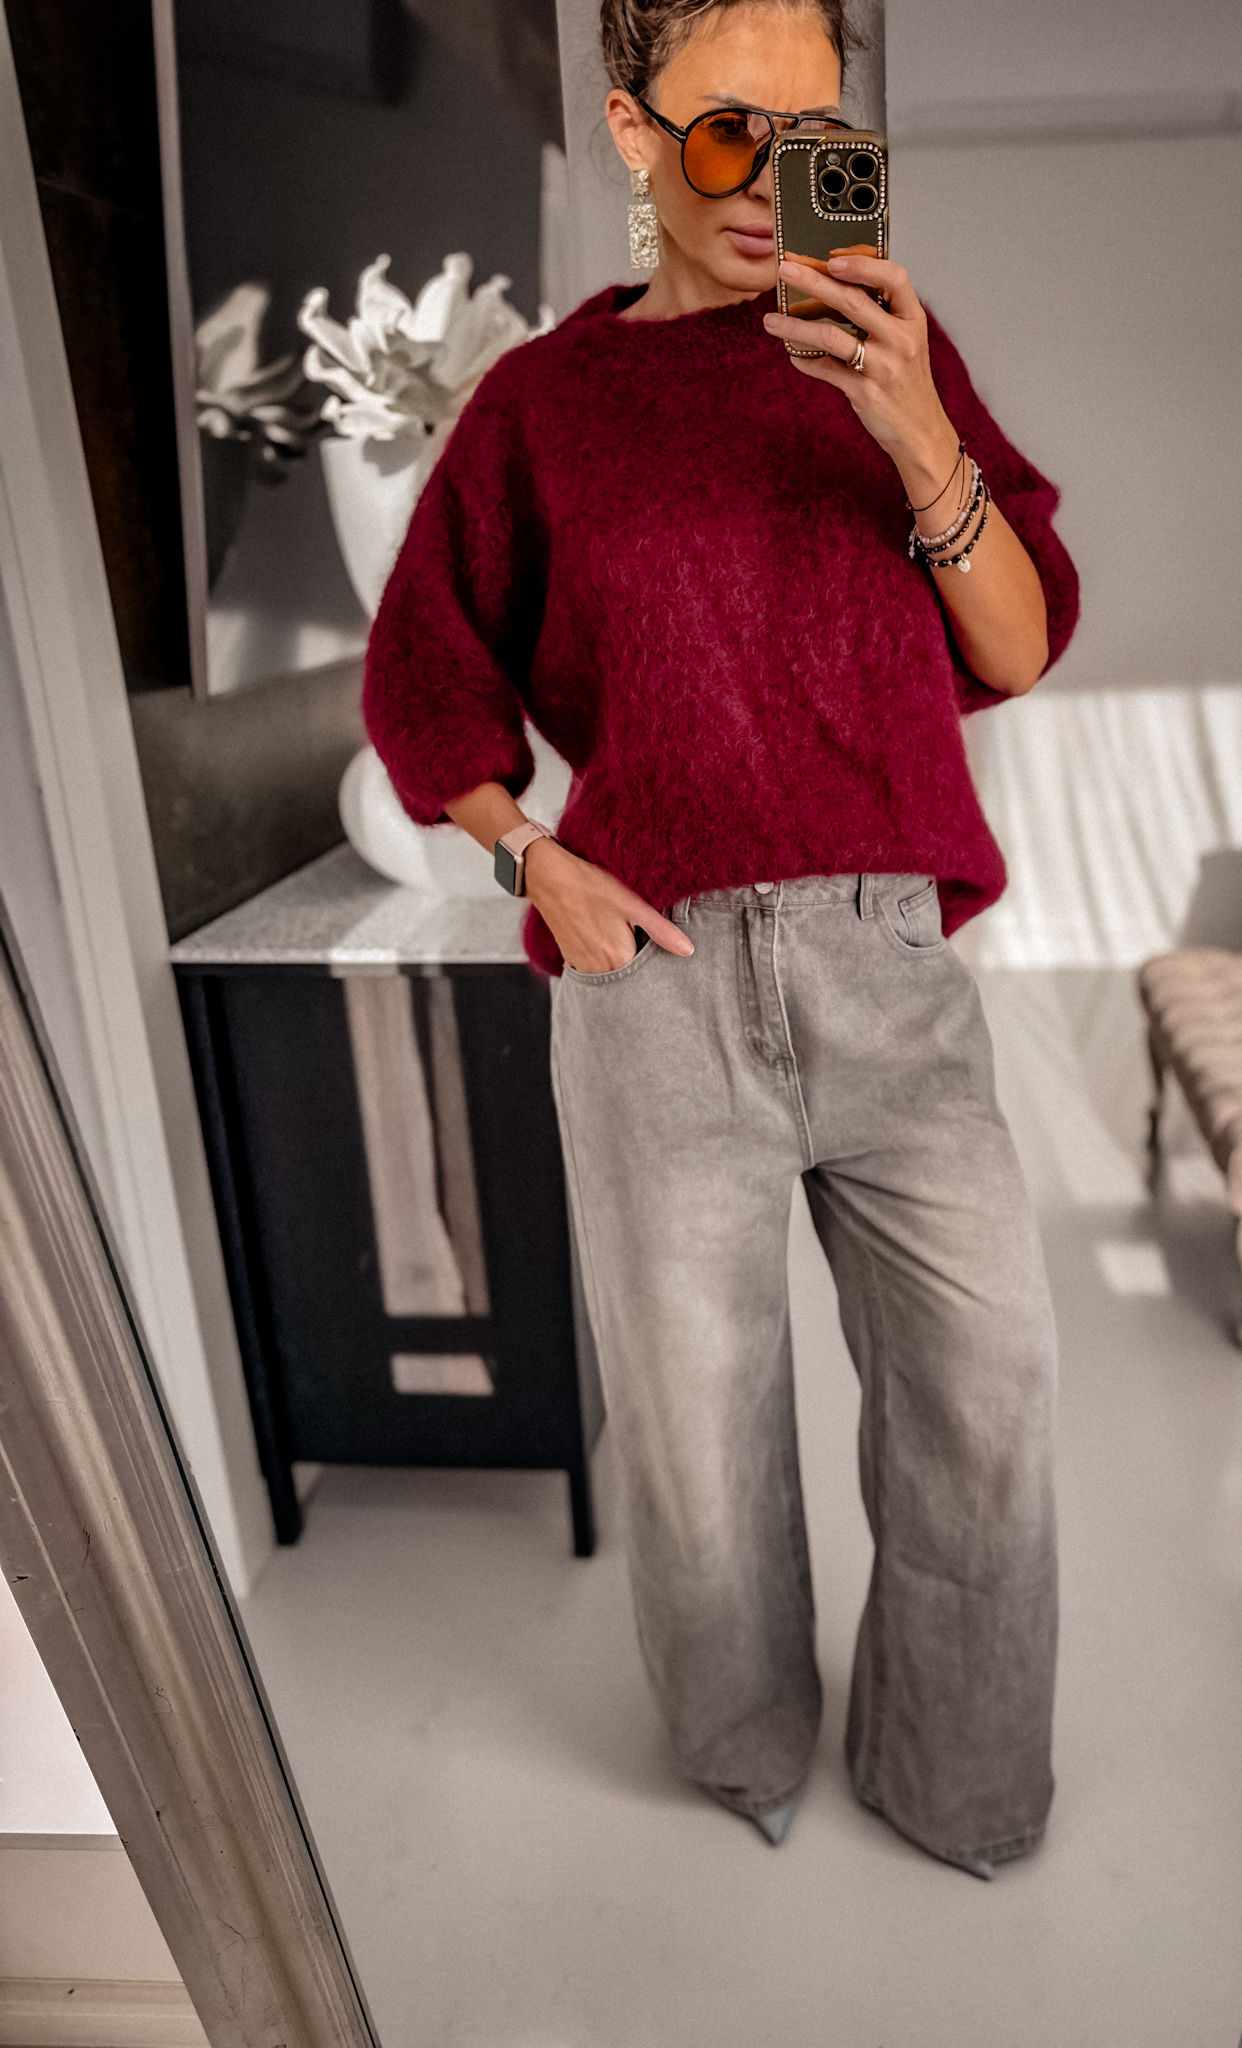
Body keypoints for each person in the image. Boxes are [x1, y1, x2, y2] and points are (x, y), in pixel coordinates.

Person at [363, 0, 1079, 1879]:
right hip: (657, 993)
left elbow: (1018, 642)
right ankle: (745, 1746)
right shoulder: (542, 409)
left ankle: (959, 1780)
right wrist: (530, 859)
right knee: (700, 1433)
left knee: (989, 1403)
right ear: (629, 129)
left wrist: (915, 430)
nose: (773, 179)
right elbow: (424, 674)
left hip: (888, 969)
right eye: (724, 129)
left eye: (817, 132)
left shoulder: (891, 355)